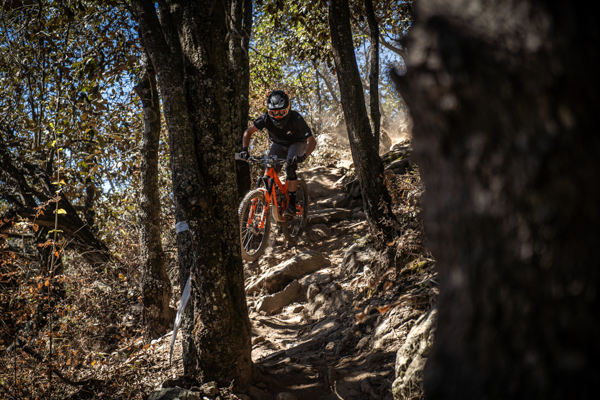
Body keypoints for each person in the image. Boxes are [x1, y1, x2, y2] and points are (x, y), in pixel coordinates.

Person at [240, 90, 317, 218]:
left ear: (288, 109)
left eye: (281, 112)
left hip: (297, 143)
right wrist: (244, 150)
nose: (277, 116)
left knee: (290, 167)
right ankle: (275, 197)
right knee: (268, 169)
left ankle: (291, 205)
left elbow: (312, 141)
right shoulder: (265, 118)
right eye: (273, 113)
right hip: (278, 145)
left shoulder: (296, 118)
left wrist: (303, 156)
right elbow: (248, 132)